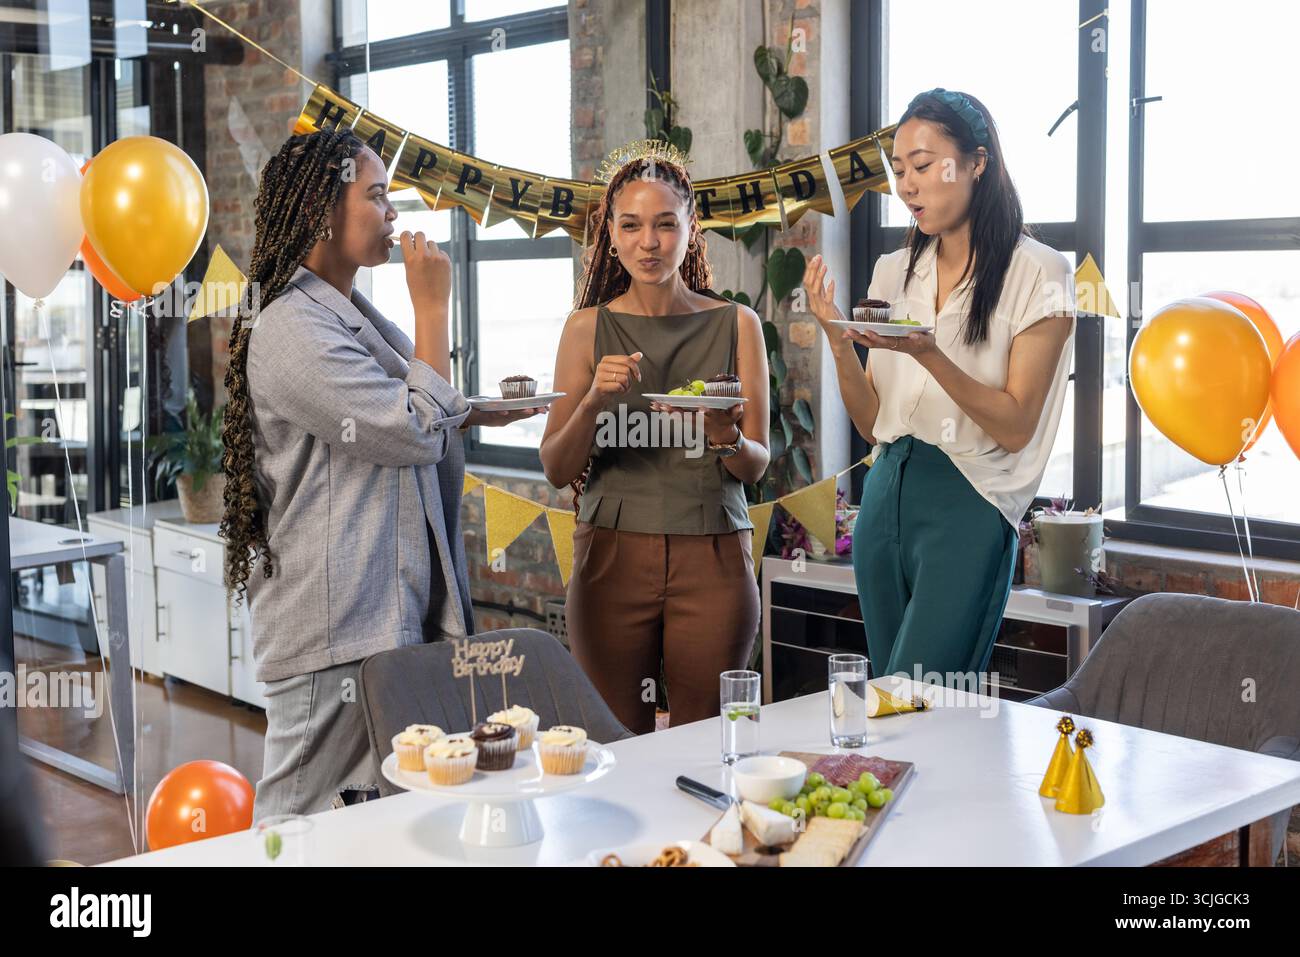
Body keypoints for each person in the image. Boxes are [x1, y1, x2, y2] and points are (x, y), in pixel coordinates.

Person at [220, 128, 541, 818]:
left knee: (385, 811)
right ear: (321, 211)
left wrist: (472, 412)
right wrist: (433, 306)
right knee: (294, 819)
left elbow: (398, 407)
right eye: (376, 197)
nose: (393, 214)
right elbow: (409, 428)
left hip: (379, 617)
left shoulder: (343, 311)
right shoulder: (289, 326)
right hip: (333, 628)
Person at [803, 89, 1075, 681]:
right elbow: (872, 424)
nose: (907, 186)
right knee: (885, 693)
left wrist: (929, 354)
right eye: (899, 171)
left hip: (969, 498)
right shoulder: (892, 271)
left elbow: (1015, 424)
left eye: (924, 167)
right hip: (885, 493)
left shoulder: (1041, 272)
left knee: (921, 697)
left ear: (978, 163)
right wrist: (835, 336)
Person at [540, 142, 770, 734]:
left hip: (713, 552)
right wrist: (593, 400)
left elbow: (756, 464)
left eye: (666, 224)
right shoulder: (585, 329)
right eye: (632, 225)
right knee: (617, 737)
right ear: (610, 237)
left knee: (709, 733)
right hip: (611, 556)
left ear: (691, 231)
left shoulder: (737, 324)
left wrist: (725, 438)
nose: (650, 242)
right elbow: (556, 466)